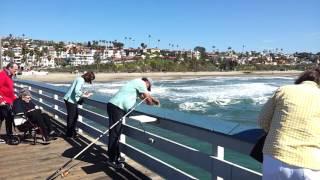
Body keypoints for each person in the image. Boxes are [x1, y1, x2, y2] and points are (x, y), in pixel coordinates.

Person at [258, 67, 320, 180]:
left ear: (300, 80)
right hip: (310, 164)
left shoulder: (284, 90)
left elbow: (262, 121)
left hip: (275, 157)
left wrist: (275, 131)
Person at [106, 77, 160, 169]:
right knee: (115, 134)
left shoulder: (136, 84)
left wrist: (154, 100)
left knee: (117, 133)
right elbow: (147, 100)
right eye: (148, 87)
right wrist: (152, 102)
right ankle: (112, 160)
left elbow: (144, 97)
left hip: (116, 107)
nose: (146, 89)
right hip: (117, 108)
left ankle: (116, 156)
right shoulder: (140, 83)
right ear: (147, 82)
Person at [63, 71, 95, 138]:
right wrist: (85, 95)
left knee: (73, 116)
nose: (89, 81)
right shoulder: (81, 80)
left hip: (69, 99)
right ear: (88, 77)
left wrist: (82, 92)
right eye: (90, 80)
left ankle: (72, 132)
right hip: (71, 100)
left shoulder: (79, 78)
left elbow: (76, 89)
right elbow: (76, 91)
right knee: (72, 117)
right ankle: (69, 134)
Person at [0, 62, 19, 145]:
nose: (16, 71)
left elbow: (10, 91)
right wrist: (1, 101)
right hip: (3, 102)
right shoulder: (3, 75)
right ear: (10, 68)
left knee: (7, 118)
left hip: (9, 101)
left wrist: (16, 98)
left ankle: (9, 135)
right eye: (15, 69)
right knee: (6, 117)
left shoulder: (9, 76)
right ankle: (9, 136)